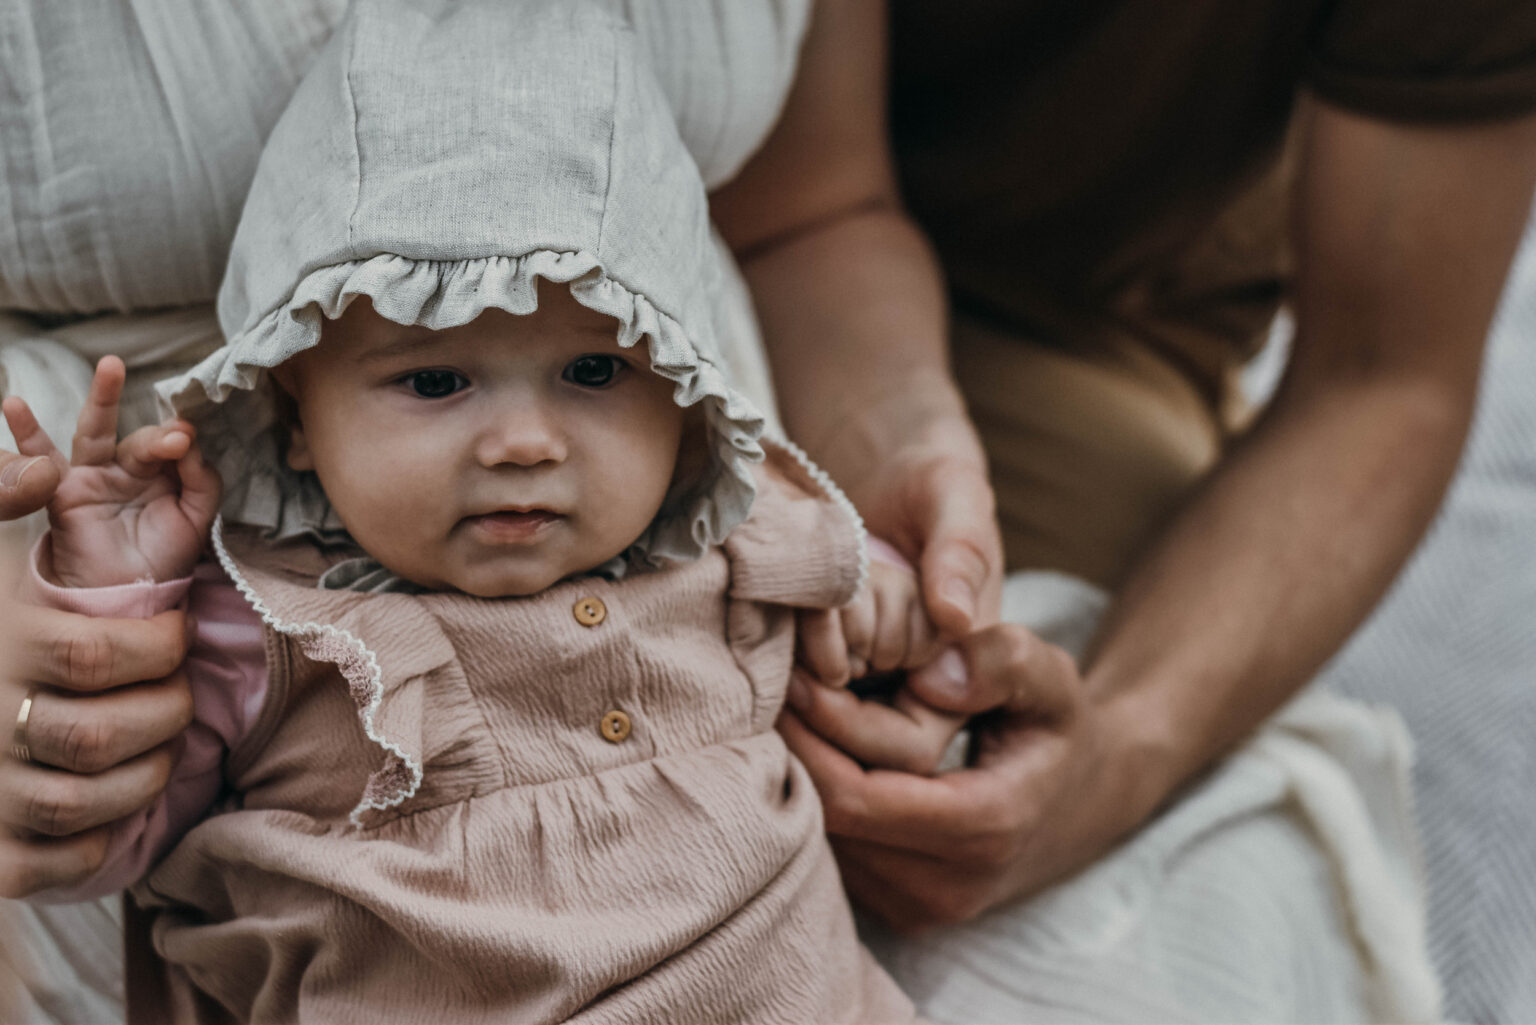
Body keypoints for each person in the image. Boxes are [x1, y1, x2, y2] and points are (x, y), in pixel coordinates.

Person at [3, 3, 940, 1020]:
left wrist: (890, 608)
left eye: (594, 369)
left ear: (682, 399)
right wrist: (104, 597)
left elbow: (867, 604)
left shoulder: (737, 545)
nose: (523, 443)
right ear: (295, 417)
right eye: (437, 380)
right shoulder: (261, 625)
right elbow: (90, 840)